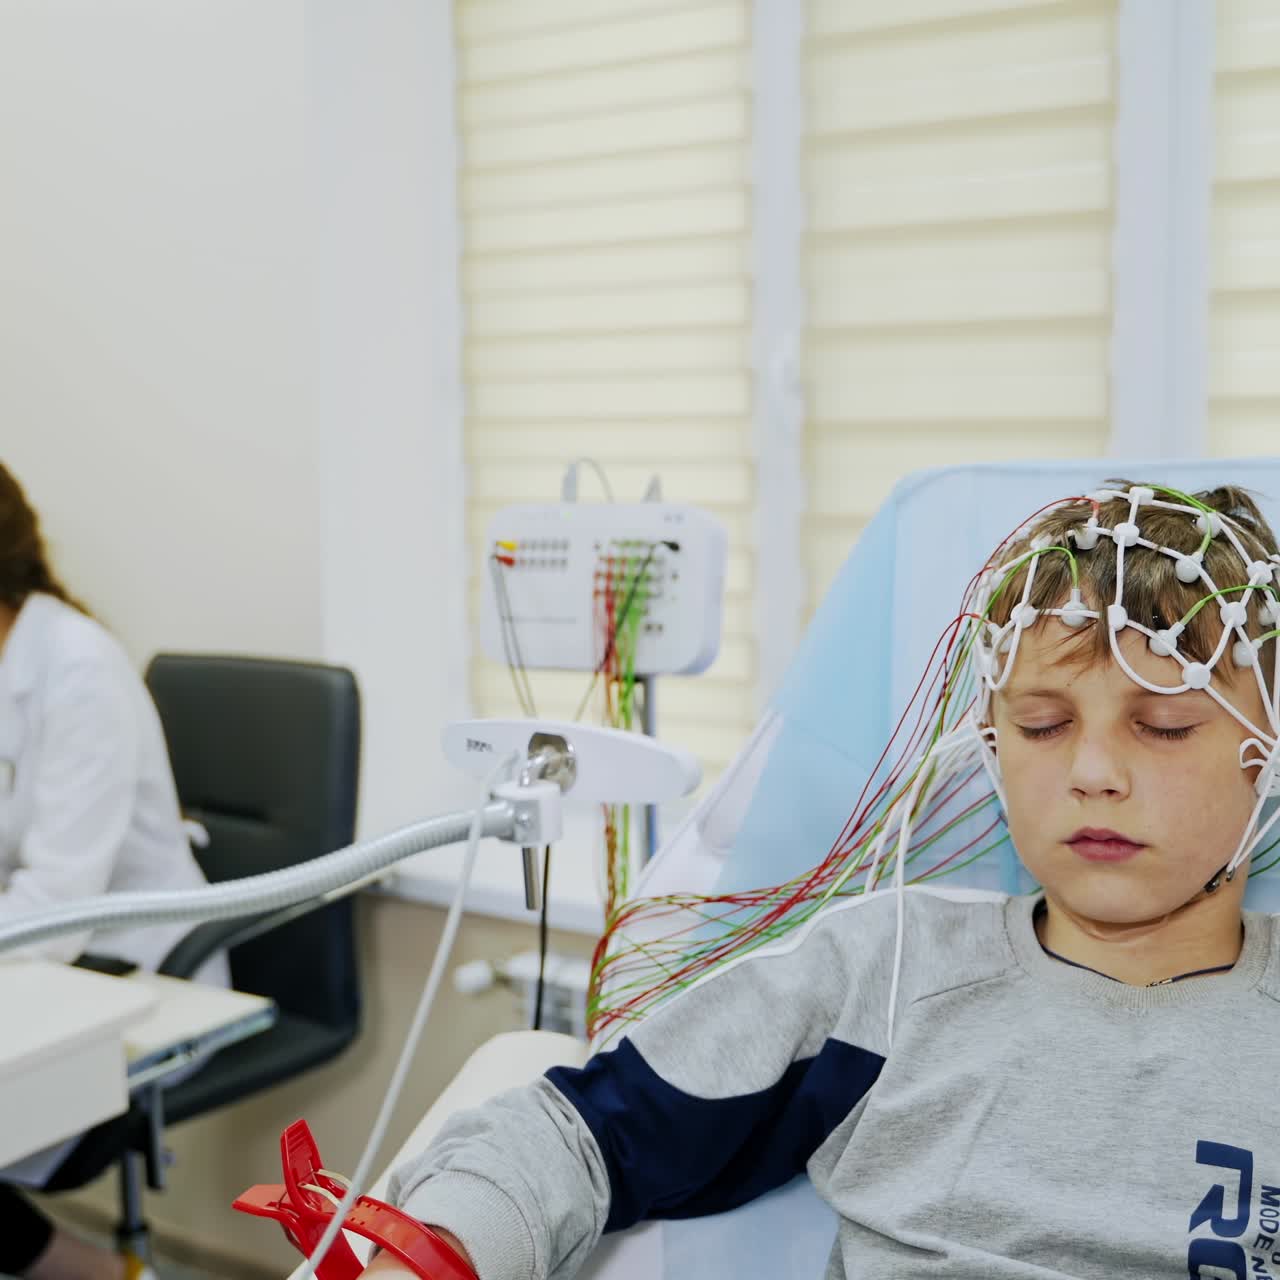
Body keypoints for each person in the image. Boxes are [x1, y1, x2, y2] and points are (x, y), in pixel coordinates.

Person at [361, 482, 1280, 1279]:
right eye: (1043, 724)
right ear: (992, 741)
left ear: (1266, 750)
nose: (1092, 772)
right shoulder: (886, 978)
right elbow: (579, 1136)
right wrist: (437, 1250)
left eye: (1162, 725)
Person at [0, 462, 228, 1280]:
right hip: (30, 963)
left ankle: (82, 1269)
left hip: (135, 970)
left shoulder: (78, 673)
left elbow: (57, 902)